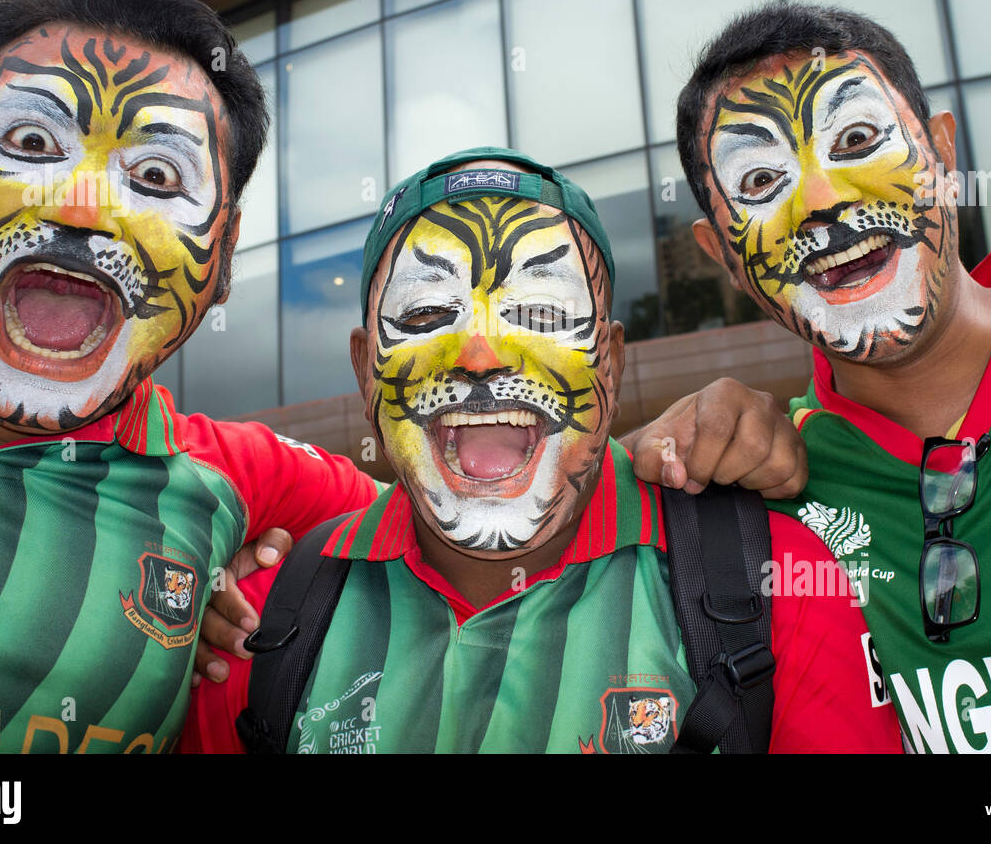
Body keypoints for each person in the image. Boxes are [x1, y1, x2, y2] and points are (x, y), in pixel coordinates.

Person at [0, 0, 804, 753]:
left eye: (156, 177)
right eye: (31, 141)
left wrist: (696, 438)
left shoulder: (231, 484)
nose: (81, 207)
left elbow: (440, 515)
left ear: (223, 261)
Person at [180, 147, 902, 754]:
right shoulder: (265, 621)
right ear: (366, 369)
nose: (482, 353)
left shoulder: (772, 580)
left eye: (543, 313)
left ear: (611, 364)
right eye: (429, 313)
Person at [673, 2, 991, 753]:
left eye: (859, 139)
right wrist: (662, 455)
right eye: (763, 180)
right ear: (723, 256)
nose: (822, 203)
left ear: (941, 151)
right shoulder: (759, 504)